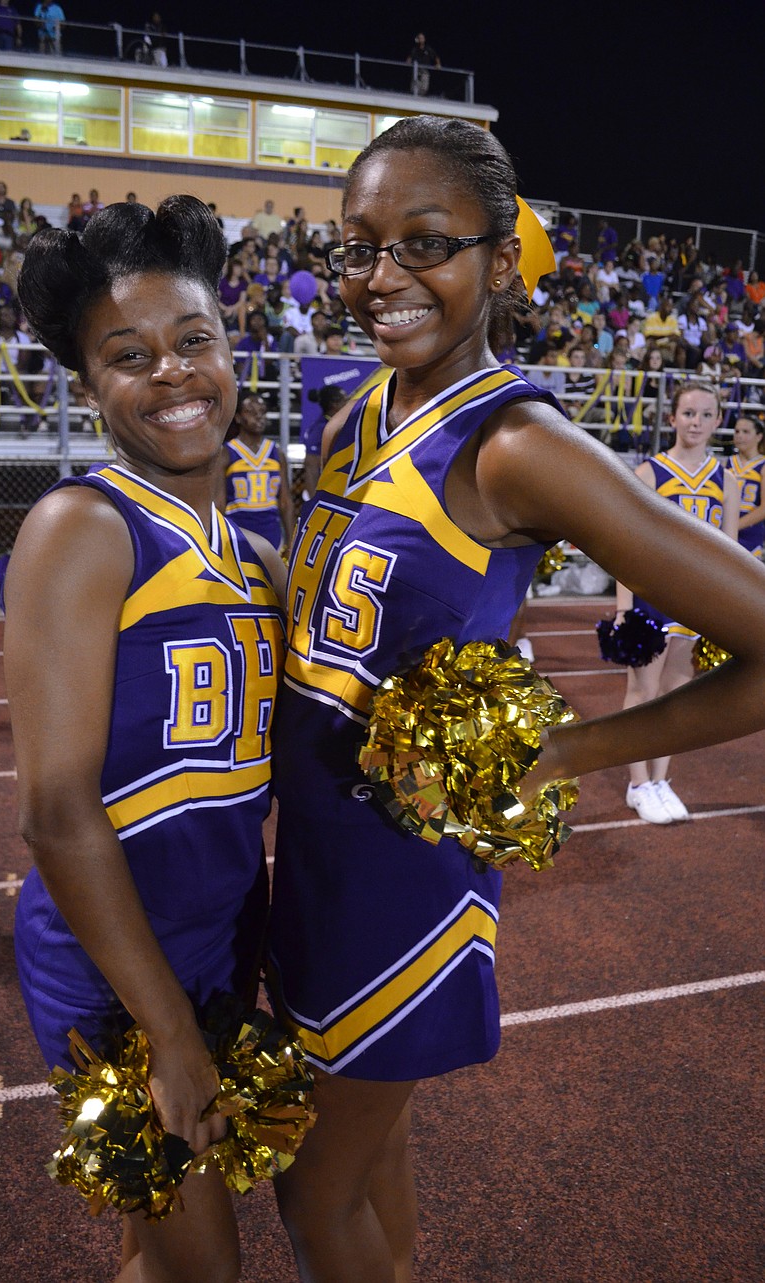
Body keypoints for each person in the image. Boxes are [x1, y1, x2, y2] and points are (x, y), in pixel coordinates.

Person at [265, 115, 765, 1283]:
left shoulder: (516, 442)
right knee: (372, 1167)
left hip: (401, 872)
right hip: (315, 853)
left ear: (501, 261)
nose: (381, 277)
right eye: (359, 245)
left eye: (424, 244)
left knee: (311, 1188)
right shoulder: (355, 407)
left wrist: (566, 755)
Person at [6, 196, 287, 1283]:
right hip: (116, 965)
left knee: (160, 1254)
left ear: (230, 347)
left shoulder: (244, 547)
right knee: (198, 1264)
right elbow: (56, 809)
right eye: (128, 356)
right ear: (88, 387)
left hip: (217, 934)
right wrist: (167, 1029)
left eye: (193, 340)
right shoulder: (82, 526)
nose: (170, 372)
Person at [617, 383, 739, 824]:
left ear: (717, 421)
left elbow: (729, 552)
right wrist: (623, 609)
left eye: (707, 415)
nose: (697, 422)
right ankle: (638, 784)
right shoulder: (649, 473)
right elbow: (624, 546)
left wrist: (724, 611)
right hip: (652, 599)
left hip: (698, 602)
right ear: (672, 419)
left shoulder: (729, 479)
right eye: (689, 413)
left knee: (677, 696)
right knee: (642, 692)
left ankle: (661, 778)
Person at [217, 389, 294, 551]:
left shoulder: (277, 453)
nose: (258, 416)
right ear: (238, 417)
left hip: (272, 535)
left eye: (262, 411)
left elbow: (285, 502)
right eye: (250, 412)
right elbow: (219, 504)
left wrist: (292, 539)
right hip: (237, 534)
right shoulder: (226, 453)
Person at [729, 414, 765, 557]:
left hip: (750, 534)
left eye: (745, 432)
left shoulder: (762, 465)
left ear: (759, 436)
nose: (739, 436)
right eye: (737, 431)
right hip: (725, 531)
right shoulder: (727, 463)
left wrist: (734, 526)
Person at [405, 32, 441, 96]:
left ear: (424, 39)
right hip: (416, 71)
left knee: (424, 88)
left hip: (425, 71)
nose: (421, 39)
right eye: (419, 38)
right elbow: (410, 57)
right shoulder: (414, 49)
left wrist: (438, 64)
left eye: (422, 38)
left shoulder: (428, 49)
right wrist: (408, 61)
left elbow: (436, 57)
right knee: (414, 88)